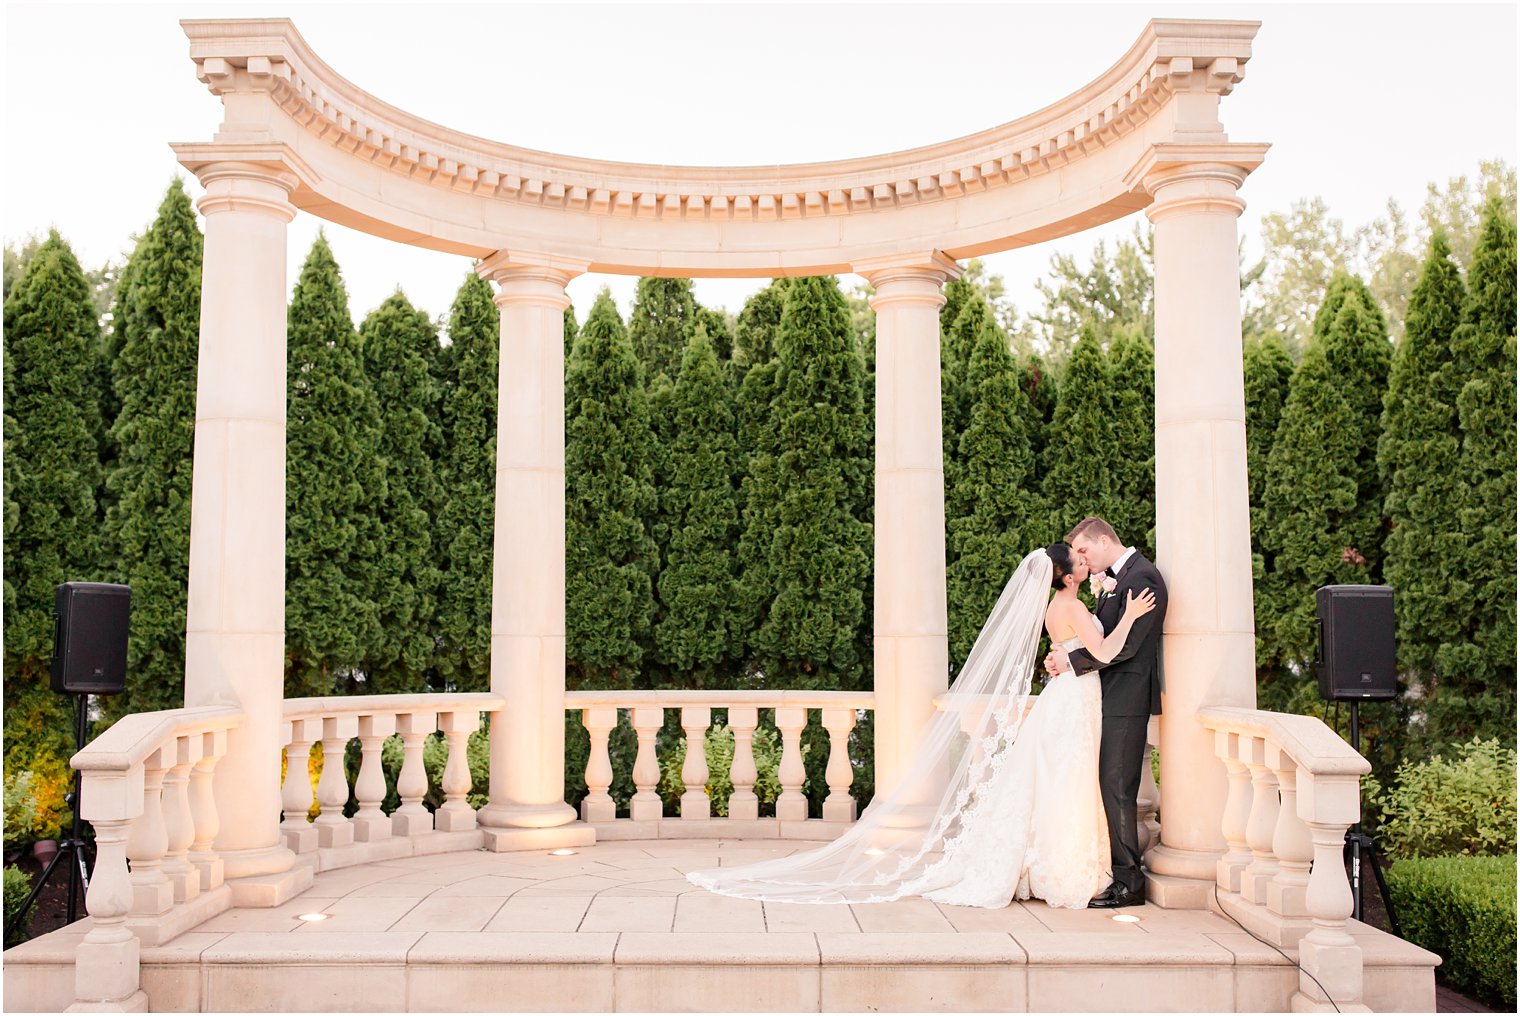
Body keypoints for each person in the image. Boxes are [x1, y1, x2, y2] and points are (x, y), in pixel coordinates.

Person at [685, 535, 1156, 910]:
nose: (1084, 561)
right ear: (1067, 576)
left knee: (1063, 781)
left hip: (1065, 696)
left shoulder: (1056, 608)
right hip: (1075, 700)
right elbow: (1107, 651)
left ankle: (1056, 863)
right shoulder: (1073, 605)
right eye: (1077, 558)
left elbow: (1076, 649)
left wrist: (1067, 654)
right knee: (1070, 782)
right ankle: (1069, 867)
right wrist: (1131, 615)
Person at [1044, 516, 1168, 909]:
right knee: (1106, 786)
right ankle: (1118, 872)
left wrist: (1071, 660)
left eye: (1083, 551)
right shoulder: (1113, 580)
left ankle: (1130, 883)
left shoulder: (1141, 577)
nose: (1080, 560)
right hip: (1103, 697)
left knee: (1117, 786)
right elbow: (1100, 637)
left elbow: (1127, 645)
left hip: (1126, 697)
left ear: (1102, 540)